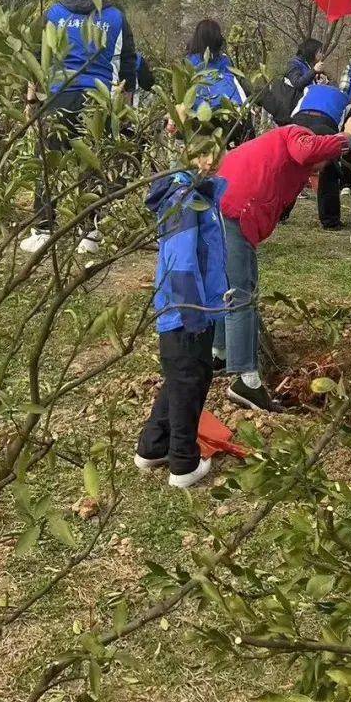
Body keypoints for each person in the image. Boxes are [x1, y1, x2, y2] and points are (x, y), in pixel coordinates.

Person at [216, 115, 351, 410]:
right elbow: (307, 150)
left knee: (232, 287)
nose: (317, 171)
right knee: (241, 296)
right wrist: (347, 140)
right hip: (231, 209)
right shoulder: (294, 135)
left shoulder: (288, 164)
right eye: (324, 160)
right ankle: (246, 381)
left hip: (228, 208)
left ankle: (220, 354)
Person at [20, 0, 137, 255]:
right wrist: (125, 110)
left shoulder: (54, 13)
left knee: (49, 160)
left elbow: (36, 57)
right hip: (98, 99)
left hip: (58, 96)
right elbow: (128, 65)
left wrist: (31, 100)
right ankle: (90, 233)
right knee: (93, 164)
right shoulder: (116, 17)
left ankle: (43, 229)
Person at [135, 160, 228, 490]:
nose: (221, 157)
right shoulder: (184, 199)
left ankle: (153, 445)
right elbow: (182, 263)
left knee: (182, 376)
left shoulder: (199, 192)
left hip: (196, 307)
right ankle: (184, 464)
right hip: (187, 312)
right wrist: (194, 315)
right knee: (190, 381)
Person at [289, 79, 351, 230]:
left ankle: (279, 214)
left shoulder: (309, 90)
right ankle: (330, 221)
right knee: (329, 173)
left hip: (298, 122)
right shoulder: (345, 100)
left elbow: (293, 112)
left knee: (291, 170)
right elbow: (346, 134)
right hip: (326, 126)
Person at [186, 19, 253, 146]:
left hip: (201, 117)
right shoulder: (225, 61)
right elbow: (240, 86)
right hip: (233, 113)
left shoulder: (188, 63)